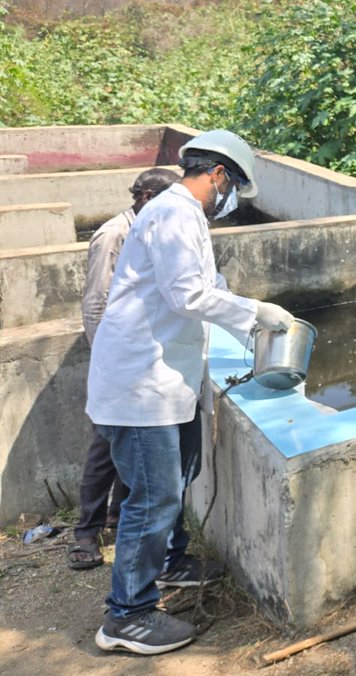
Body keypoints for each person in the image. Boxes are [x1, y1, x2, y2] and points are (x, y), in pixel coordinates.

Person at [87, 130, 296, 656]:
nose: (230, 202)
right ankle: (127, 616)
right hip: (140, 385)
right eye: (234, 189)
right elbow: (189, 294)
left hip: (164, 378)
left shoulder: (183, 217)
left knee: (180, 474)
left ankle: (170, 560)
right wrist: (255, 314)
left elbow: (210, 286)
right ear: (219, 175)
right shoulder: (176, 213)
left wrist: (250, 319)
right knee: (153, 496)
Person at [67, 167, 180, 571]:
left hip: (136, 355)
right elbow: (96, 302)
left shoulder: (149, 227)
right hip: (116, 358)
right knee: (104, 448)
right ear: (147, 197)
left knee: (127, 448)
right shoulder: (114, 233)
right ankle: (86, 531)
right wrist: (110, 360)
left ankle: (115, 519)